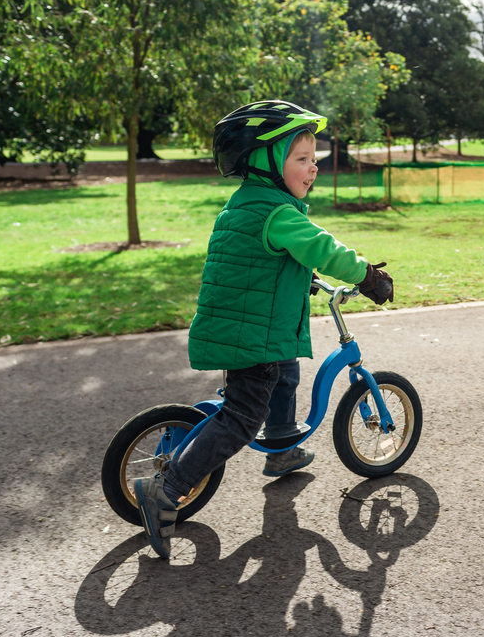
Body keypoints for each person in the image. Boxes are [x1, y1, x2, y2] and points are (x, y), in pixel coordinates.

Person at [134, 101, 394, 559]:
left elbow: (256, 262)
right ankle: (168, 488)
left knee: (286, 375)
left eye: (315, 159)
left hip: (247, 328)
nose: (313, 167)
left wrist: (301, 277)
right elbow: (322, 246)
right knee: (240, 417)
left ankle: (282, 449)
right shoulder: (281, 214)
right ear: (265, 162)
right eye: (301, 159)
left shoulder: (242, 207)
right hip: (252, 337)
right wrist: (366, 276)